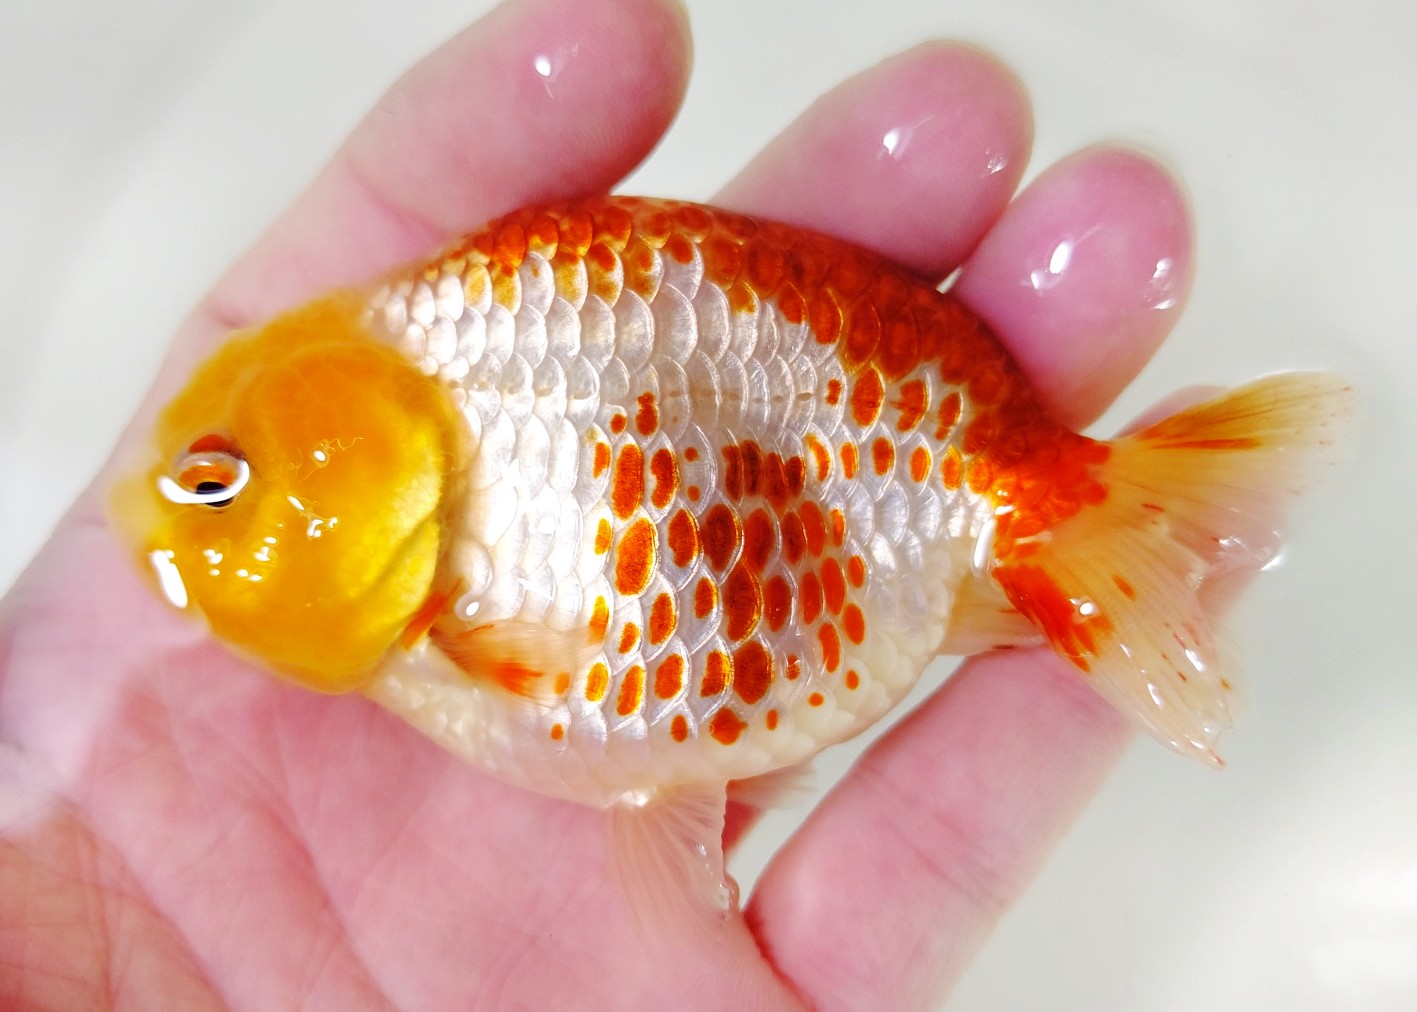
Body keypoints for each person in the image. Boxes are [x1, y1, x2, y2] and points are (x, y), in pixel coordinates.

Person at [0, 0, 1195, 1006]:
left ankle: (1079, 514)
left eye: (218, 482)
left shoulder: (455, 420)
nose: (173, 523)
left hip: (869, 506)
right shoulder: (439, 471)